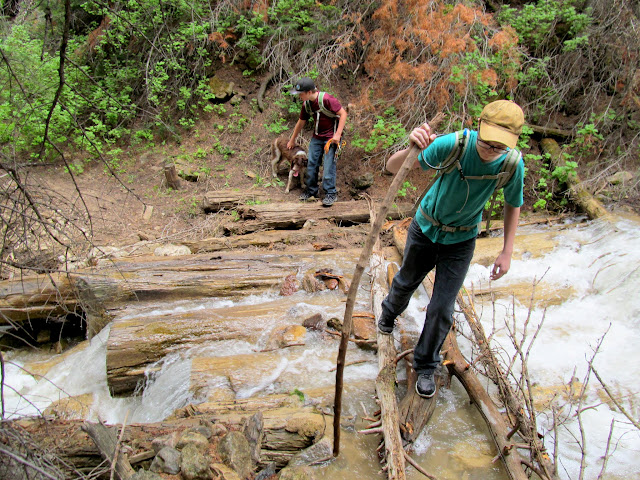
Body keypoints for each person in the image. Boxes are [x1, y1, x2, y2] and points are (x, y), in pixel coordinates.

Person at [378, 100, 525, 398]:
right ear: (478, 127)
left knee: (442, 307)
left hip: (462, 240)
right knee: (407, 281)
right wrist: (412, 146)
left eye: (499, 147)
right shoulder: (456, 144)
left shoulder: (511, 164)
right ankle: (388, 314)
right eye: (486, 142)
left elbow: (513, 203)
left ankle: (426, 364)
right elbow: (392, 167)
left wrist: (507, 250)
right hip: (426, 228)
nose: (490, 150)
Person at [287, 77, 347, 207]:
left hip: (331, 138)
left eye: (300, 94)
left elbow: (343, 114)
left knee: (328, 165)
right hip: (317, 137)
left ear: (309, 92)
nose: (299, 97)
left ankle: (330, 193)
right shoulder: (307, 104)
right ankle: (311, 191)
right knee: (311, 165)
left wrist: (337, 135)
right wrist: (292, 139)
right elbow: (301, 122)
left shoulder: (326, 99)